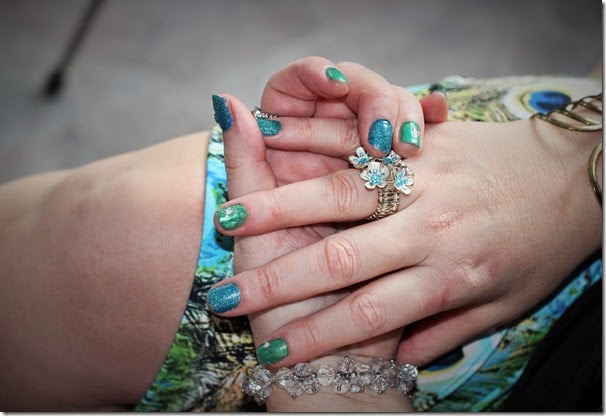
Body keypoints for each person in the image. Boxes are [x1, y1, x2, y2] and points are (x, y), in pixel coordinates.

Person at [0, 56, 601, 412]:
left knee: (116, 257)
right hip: (545, 145)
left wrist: (343, 390)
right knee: (106, 234)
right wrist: (573, 167)